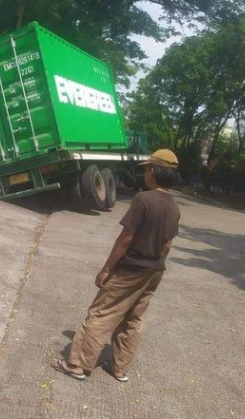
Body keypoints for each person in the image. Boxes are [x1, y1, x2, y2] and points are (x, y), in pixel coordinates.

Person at [52, 149, 181, 382]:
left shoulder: (144, 199)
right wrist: (155, 264)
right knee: (134, 319)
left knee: (102, 313)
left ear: (153, 171)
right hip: (154, 271)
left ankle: (77, 365)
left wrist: (107, 269)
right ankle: (119, 367)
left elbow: (126, 239)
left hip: (132, 269)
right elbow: (168, 243)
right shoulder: (174, 206)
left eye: (147, 169)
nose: (145, 174)